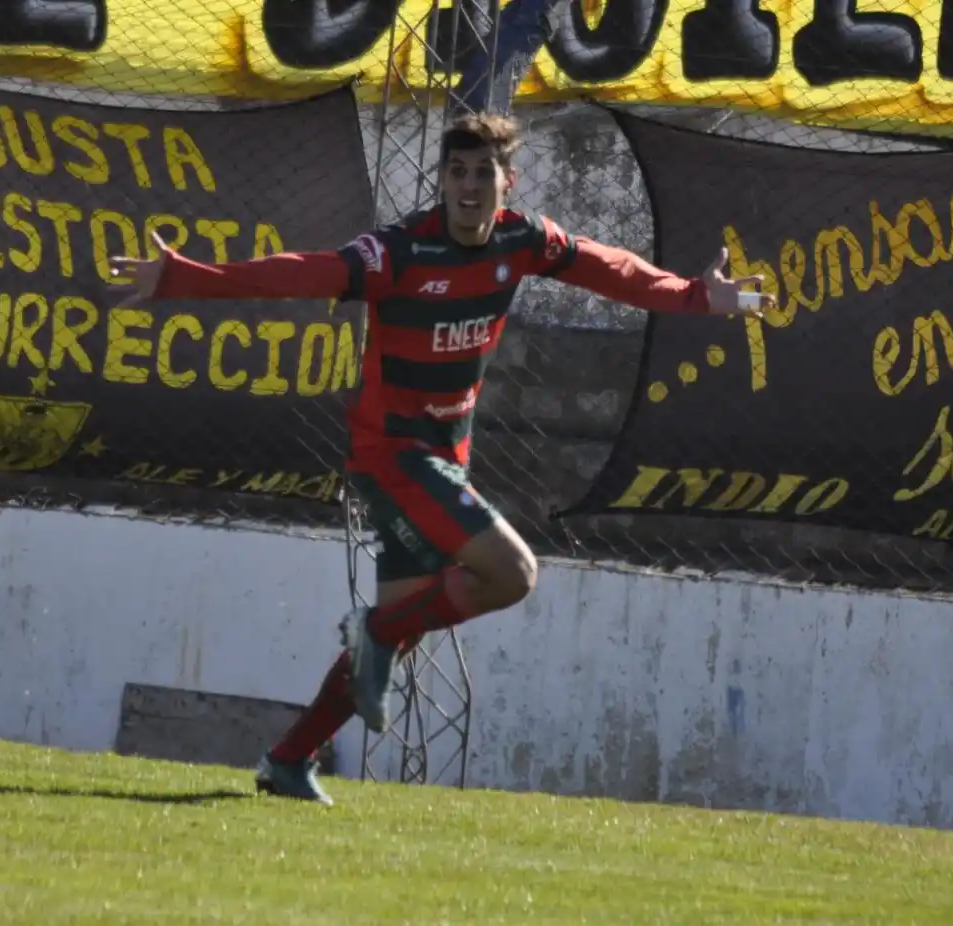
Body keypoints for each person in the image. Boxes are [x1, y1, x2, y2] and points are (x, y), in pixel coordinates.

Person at [108, 113, 776, 807]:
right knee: (513, 574)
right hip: (392, 455)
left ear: (506, 182)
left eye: (482, 172)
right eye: (456, 171)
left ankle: (288, 758)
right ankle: (372, 634)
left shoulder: (524, 240)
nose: (467, 185)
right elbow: (309, 273)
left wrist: (695, 295)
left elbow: (612, 269)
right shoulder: (399, 252)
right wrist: (187, 279)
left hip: (444, 457)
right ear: (441, 181)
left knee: (398, 631)